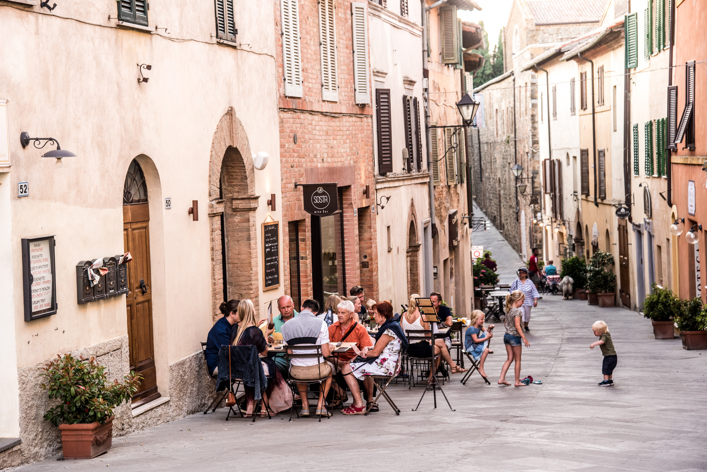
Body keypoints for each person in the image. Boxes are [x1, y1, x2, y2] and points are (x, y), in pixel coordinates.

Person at [341, 301, 408, 415]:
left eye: (376, 313)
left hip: (385, 366)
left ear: (383, 315)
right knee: (359, 366)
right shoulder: (392, 325)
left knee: (346, 368)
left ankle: (358, 405)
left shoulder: (388, 330)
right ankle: (367, 401)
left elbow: (376, 353)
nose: (374, 316)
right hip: (389, 364)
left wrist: (362, 352)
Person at [233, 300, 292, 417]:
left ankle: (258, 407)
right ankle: (276, 402)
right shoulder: (255, 331)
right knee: (270, 365)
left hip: (237, 368)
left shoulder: (234, 329)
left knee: (267, 365)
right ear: (251, 311)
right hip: (252, 370)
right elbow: (264, 352)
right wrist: (264, 334)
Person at [281, 300, 333, 417]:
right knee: (329, 372)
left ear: (301, 308)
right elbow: (325, 354)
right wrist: (330, 347)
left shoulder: (286, 326)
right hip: (317, 370)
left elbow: (289, 352)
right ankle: (320, 405)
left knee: (298, 366)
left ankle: (305, 406)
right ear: (315, 313)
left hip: (296, 372)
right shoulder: (321, 324)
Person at [328, 300, 373, 408]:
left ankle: (370, 400)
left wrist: (351, 360)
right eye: (338, 312)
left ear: (351, 314)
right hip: (335, 360)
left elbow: (366, 350)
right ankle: (338, 394)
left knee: (368, 370)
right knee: (320, 369)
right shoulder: (332, 328)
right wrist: (338, 361)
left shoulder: (359, 329)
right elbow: (325, 350)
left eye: (343, 313)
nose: (339, 315)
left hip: (354, 360)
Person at [498, 291, 530, 387]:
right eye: (522, 301)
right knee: (518, 360)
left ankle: (501, 378)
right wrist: (524, 338)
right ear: (517, 300)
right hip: (515, 337)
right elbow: (517, 325)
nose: (523, 303)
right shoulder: (517, 311)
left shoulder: (508, 309)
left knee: (509, 358)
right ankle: (517, 381)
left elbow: (505, 322)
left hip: (506, 335)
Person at [429, 292, 466, 373]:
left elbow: (449, 323)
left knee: (441, 348)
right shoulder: (427, 311)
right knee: (437, 350)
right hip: (431, 339)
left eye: (434, 302)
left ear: (439, 302)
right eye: (430, 301)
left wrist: (441, 323)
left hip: (444, 338)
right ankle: (446, 367)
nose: (432, 304)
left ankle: (434, 371)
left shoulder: (445, 309)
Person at [204, 299, 240, 376]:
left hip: (227, 361)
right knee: (251, 367)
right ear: (232, 314)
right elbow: (229, 353)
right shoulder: (221, 330)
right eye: (240, 312)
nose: (243, 314)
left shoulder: (232, 324)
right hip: (217, 365)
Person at [464, 310, 494, 378]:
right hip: (471, 346)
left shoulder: (479, 326)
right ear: (475, 320)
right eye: (481, 319)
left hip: (475, 344)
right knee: (485, 350)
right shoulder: (472, 329)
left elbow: (486, 332)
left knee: (486, 334)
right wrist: (487, 338)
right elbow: (476, 340)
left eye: (483, 319)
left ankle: (484, 348)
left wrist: (489, 328)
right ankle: (481, 367)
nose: (483, 320)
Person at [510, 267, 540, 332]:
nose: (520, 274)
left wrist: (535, 300)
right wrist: (514, 297)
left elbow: (534, 291)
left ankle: (526, 326)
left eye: (522, 273)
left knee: (527, 315)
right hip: (519, 302)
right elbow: (511, 290)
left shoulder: (530, 282)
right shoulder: (516, 282)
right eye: (519, 273)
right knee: (521, 314)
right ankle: (521, 327)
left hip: (528, 301)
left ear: (526, 274)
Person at [590, 320, 617, 387]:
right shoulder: (607, 334)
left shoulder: (604, 336)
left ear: (600, 331)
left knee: (605, 368)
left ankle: (606, 381)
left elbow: (602, 341)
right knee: (609, 369)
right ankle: (610, 380)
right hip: (614, 356)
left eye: (595, 331)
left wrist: (594, 344)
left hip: (609, 356)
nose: (594, 333)